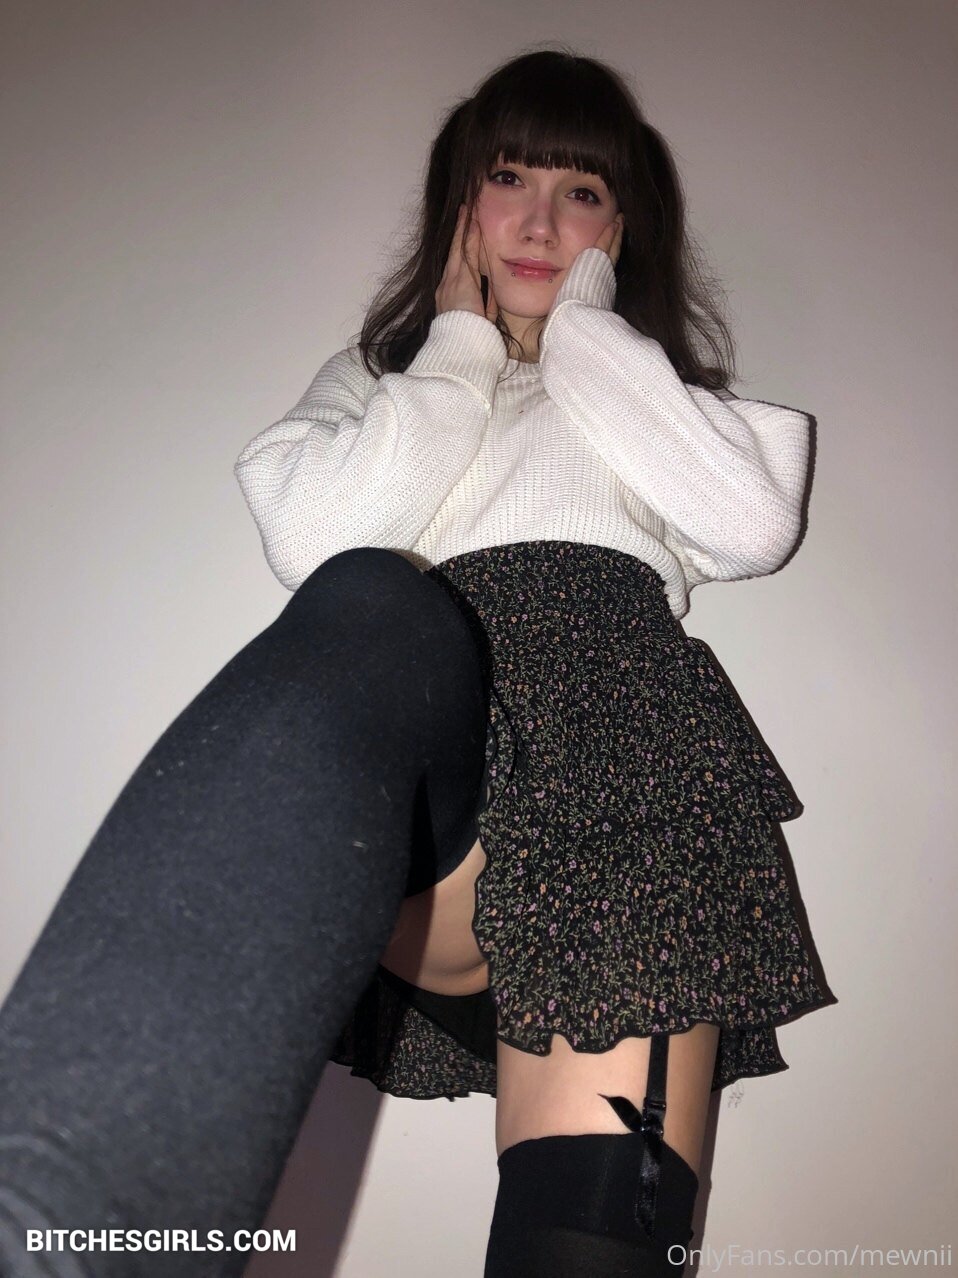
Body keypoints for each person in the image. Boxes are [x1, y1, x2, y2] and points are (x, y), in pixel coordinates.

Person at [0, 46, 833, 1278]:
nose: (539, 222)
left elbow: (754, 525)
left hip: (622, 794)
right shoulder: (382, 382)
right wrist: (456, 345)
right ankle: (55, 1224)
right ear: (460, 202)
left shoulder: (655, 395)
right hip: (435, 776)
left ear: (620, 229)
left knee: (591, 1241)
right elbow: (310, 539)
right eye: (509, 178)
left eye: (582, 192)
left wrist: (589, 333)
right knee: (372, 600)